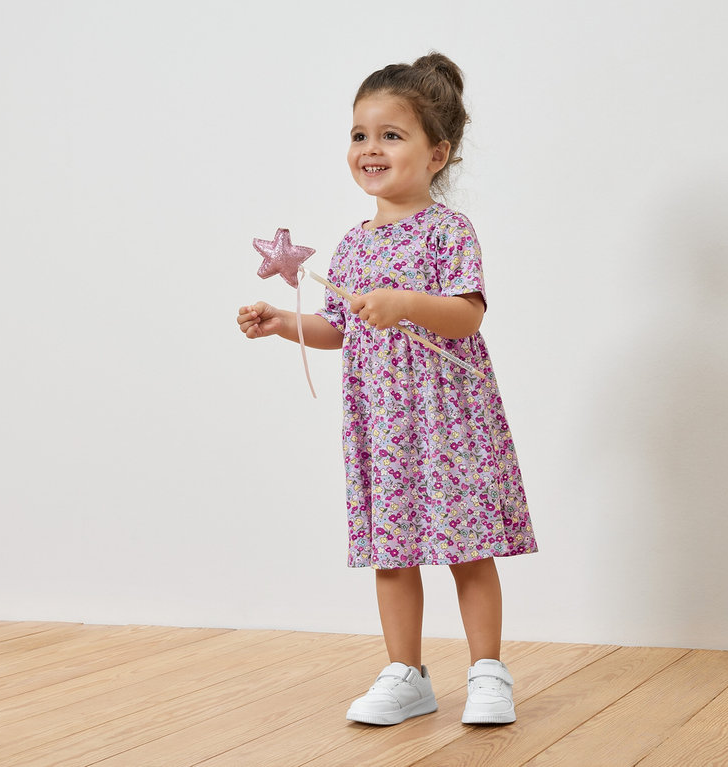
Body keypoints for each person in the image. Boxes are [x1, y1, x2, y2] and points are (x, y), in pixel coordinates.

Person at [236, 52, 537, 726]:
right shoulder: (349, 245)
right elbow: (338, 326)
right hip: (383, 422)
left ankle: (488, 669)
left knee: (467, 544)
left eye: (391, 135)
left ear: (438, 153)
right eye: (359, 134)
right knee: (392, 551)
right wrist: (284, 323)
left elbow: (467, 314)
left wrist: (404, 302)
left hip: (448, 419)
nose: (371, 148)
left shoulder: (447, 232)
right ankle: (406, 672)